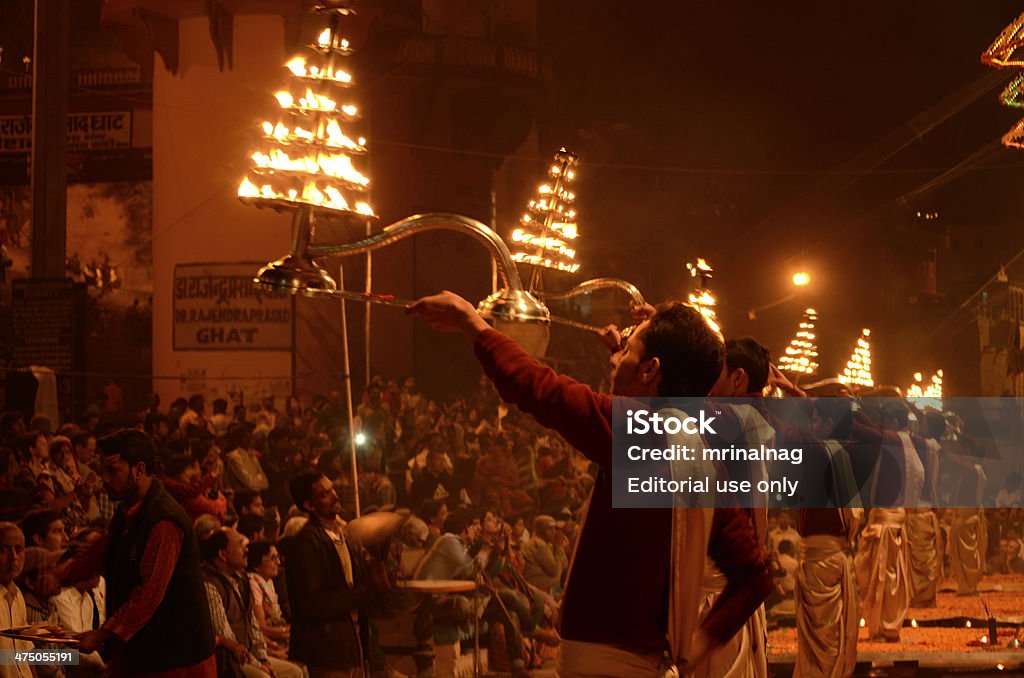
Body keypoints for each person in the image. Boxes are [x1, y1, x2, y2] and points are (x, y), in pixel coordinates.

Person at [409, 292, 773, 676]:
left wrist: (474, 325)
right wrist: (697, 645)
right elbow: (756, 577)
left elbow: (541, 388)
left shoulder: (639, 429)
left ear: (650, 370)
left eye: (628, 351)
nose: (617, 360)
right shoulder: (703, 458)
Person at [66, 429, 217, 676]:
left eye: (112, 471)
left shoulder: (164, 519)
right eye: (102, 470)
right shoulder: (129, 512)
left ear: (138, 470)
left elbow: (149, 592)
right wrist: (59, 574)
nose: (104, 479)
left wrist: (103, 634)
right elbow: (100, 549)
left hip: (177, 661)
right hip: (146, 655)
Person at [285, 471, 392, 677]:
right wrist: (366, 588)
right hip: (327, 649)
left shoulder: (344, 535)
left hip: (351, 641)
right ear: (308, 505)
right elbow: (314, 604)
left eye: (332, 488)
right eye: (325, 494)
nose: (334, 495)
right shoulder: (306, 544)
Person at [201, 528, 303, 678]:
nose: (247, 549)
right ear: (223, 554)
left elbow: (253, 625)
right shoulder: (210, 584)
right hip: (231, 661)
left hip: (250, 656)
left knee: (295, 672)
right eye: (241, 545)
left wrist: (263, 658)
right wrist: (258, 664)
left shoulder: (242, 579)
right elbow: (226, 636)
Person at [0, 523, 33, 678]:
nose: (13, 558)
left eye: (18, 549)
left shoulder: (17, 594)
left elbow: (25, 651)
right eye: (4, 550)